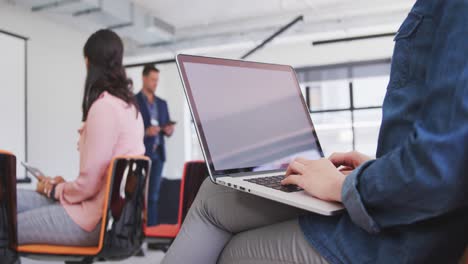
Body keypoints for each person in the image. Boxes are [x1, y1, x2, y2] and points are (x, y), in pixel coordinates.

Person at [161, 0, 468, 263]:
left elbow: (440, 167)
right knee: (216, 192)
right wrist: (375, 170)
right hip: (407, 212)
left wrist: (346, 188)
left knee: (235, 251)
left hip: (401, 236)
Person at [2, 29, 145, 246]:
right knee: (11, 200)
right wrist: (61, 186)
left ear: (88, 63)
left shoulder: (104, 108)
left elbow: (87, 186)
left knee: (4, 228)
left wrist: (53, 189)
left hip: (90, 220)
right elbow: (98, 181)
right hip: (100, 213)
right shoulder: (130, 109)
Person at [135, 65, 175, 226]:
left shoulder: (162, 103)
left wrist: (169, 130)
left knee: (153, 196)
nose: (155, 83)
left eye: (157, 80)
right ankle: (136, 235)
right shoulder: (133, 102)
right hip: (141, 154)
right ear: (144, 78)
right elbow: (129, 130)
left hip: (159, 154)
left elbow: (167, 128)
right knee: (138, 196)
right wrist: (145, 132)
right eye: (152, 79)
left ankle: (152, 233)